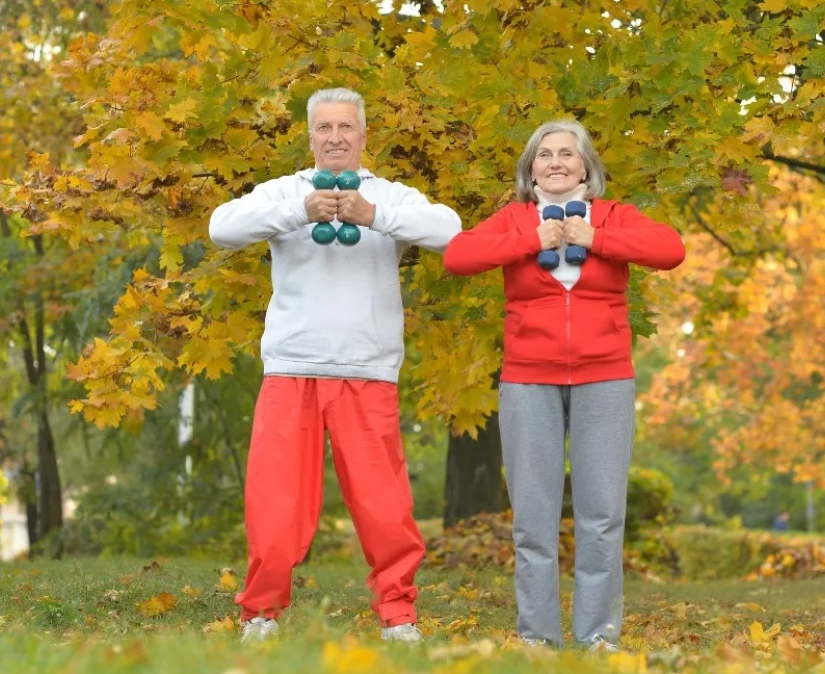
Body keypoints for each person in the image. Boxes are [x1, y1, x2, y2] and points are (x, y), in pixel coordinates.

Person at [208, 87, 462, 644]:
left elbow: (451, 231)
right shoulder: (286, 191)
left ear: (364, 135)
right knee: (276, 505)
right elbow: (221, 227)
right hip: (291, 367)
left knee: (383, 507)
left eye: (346, 126)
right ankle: (261, 614)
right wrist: (298, 211)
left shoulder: (389, 195)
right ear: (310, 137)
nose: (336, 137)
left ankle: (398, 615)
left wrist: (375, 216)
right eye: (324, 127)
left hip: (367, 369)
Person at [443, 120, 685, 651]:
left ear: (585, 167)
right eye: (545, 154)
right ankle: (538, 639)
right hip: (529, 378)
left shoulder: (613, 215)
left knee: (602, 516)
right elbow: (458, 256)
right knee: (533, 520)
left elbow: (670, 249)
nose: (556, 162)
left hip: (605, 377)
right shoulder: (514, 219)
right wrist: (530, 241)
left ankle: (598, 637)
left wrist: (595, 238)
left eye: (567, 154)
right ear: (530, 170)